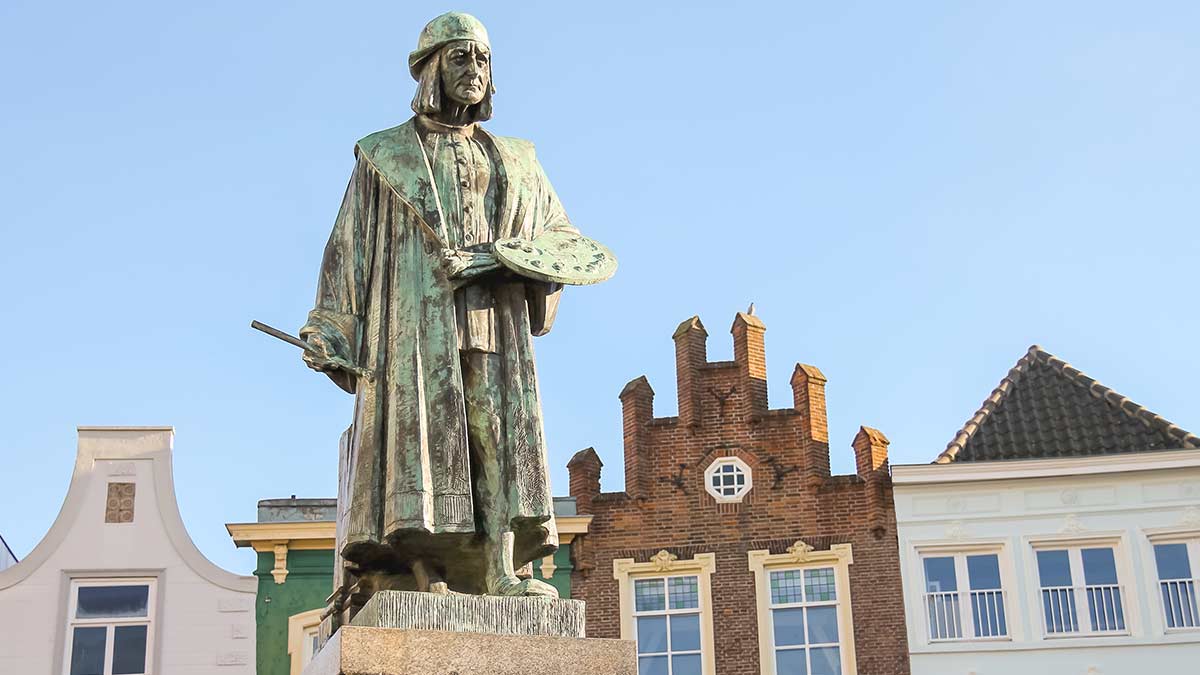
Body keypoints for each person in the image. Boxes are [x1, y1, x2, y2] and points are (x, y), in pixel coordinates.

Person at [300, 11, 576, 598]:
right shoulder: (383, 156)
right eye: (460, 57)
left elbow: (564, 241)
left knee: (495, 430)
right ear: (430, 70)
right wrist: (332, 327)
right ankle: (421, 566)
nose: (474, 69)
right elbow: (347, 246)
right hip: (415, 318)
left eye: (482, 59)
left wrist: (501, 257)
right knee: (423, 438)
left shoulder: (518, 159)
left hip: (494, 319)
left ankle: (501, 567)